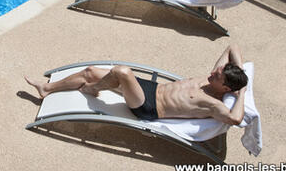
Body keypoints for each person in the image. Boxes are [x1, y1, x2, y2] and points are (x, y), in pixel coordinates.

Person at [25, 44, 248, 124]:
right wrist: (240, 73)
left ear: (226, 89)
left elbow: (235, 118)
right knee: (90, 71)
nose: (211, 74)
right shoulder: (213, 79)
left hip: (148, 107)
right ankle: (47, 89)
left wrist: (243, 93)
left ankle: (93, 89)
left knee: (122, 71)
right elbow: (232, 48)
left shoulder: (215, 104)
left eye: (216, 77)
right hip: (151, 89)